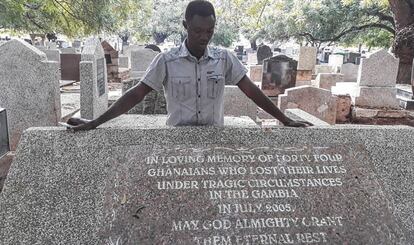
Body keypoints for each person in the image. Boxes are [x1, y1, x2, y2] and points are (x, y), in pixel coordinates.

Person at [68, 0, 311, 130]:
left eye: (210, 31)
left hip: (214, 141)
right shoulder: (166, 60)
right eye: (197, 30)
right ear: (185, 26)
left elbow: (252, 92)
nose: (204, 36)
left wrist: (284, 119)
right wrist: (95, 122)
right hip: (176, 141)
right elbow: (136, 95)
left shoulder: (224, 58)